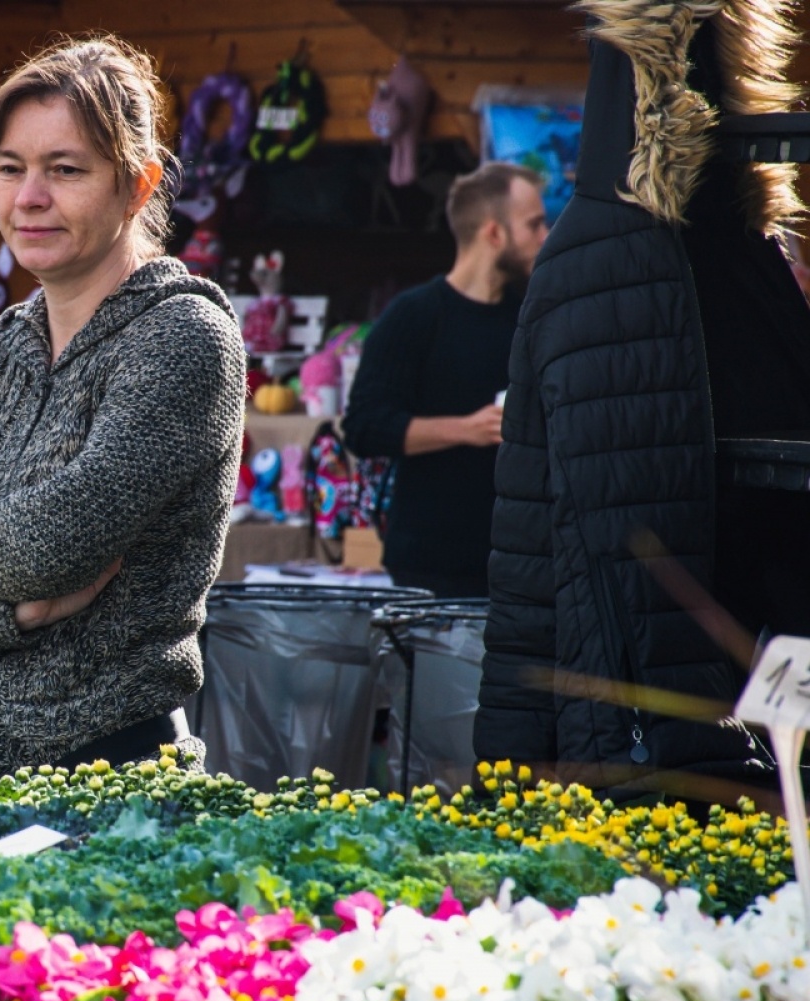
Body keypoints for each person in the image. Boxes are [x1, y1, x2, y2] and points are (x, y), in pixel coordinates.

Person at [0, 35, 246, 771]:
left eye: (65, 169)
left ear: (138, 185)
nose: (29, 197)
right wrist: (13, 614)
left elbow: (49, 546)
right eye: (10, 168)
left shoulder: (184, 339)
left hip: (109, 787)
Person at [478, 0, 810, 799]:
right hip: (660, 725)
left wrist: (509, 766)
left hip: (659, 723)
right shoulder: (701, 259)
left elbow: (533, 539)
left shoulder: (621, 256)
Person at [340, 162, 548, 597]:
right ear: (494, 234)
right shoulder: (415, 315)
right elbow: (364, 427)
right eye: (534, 225)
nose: (545, 236)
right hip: (430, 564)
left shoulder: (529, 317)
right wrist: (468, 429)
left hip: (522, 559)